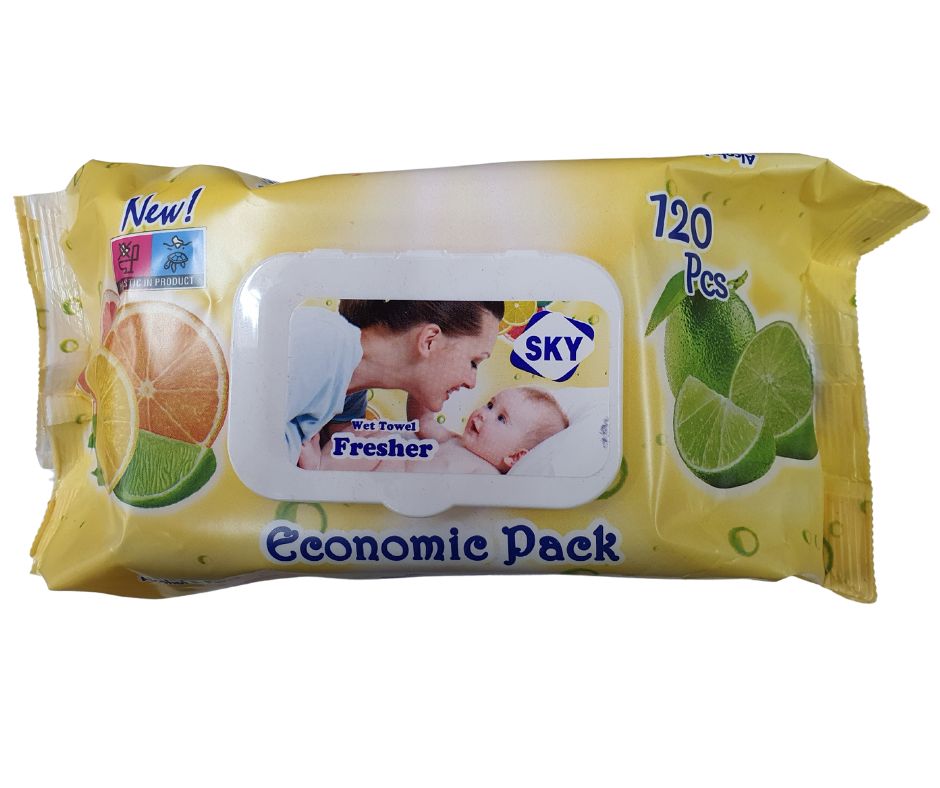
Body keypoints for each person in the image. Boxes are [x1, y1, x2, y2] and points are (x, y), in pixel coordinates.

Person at [286, 300, 503, 468]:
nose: (472, 383)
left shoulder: (350, 395)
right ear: (429, 341)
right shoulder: (317, 344)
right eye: (473, 362)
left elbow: (334, 459)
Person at [318, 386, 569, 475]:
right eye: (490, 405)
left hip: (385, 481)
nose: (483, 413)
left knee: (373, 448)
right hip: (380, 465)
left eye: (501, 418)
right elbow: (423, 422)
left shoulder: (486, 477)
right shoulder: (455, 441)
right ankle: (320, 456)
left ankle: (317, 466)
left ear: (515, 456)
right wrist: (424, 387)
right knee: (368, 432)